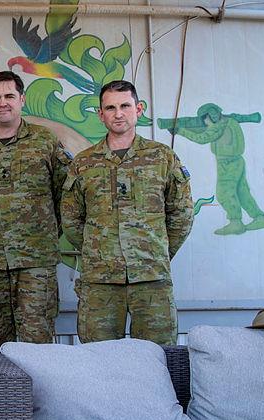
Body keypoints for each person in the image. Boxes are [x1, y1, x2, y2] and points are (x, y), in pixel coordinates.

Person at [60, 80, 194, 345]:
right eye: (110, 107)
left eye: (125, 105)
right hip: (100, 281)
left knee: (160, 358)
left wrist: (157, 251)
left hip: (151, 278)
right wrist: (98, 249)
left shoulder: (162, 157)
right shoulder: (84, 163)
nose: (118, 113)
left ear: (139, 109)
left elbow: (181, 214)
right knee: (101, 361)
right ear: (101, 114)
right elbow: (71, 218)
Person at [0, 70, 72, 347]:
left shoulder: (45, 142)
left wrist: (43, 233)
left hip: (35, 265)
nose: (2, 102)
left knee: (37, 347)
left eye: (9, 96)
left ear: (22, 100)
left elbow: (66, 195)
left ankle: (38, 394)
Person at [164, 103, 264, 235]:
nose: (209, 119)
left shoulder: (220, 126)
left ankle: (236, 222)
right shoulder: (231, 122)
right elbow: (205, 132)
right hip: (237, 161)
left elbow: (203, 138)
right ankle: (259, 218)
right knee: (242, 192)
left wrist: (180, 131)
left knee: (224, 193)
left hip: (227, 164)